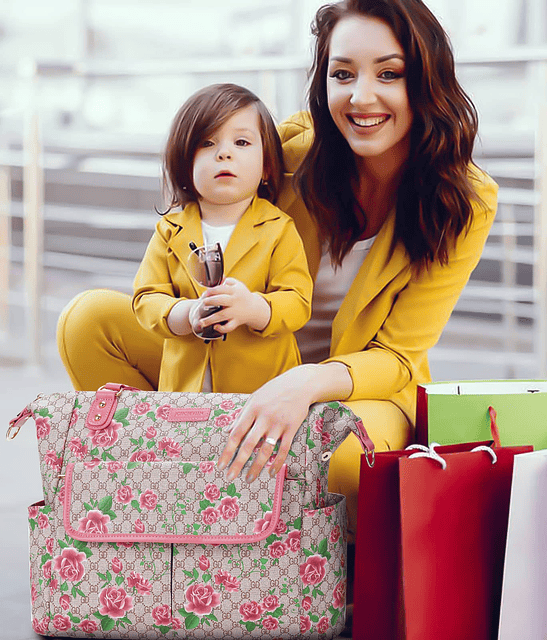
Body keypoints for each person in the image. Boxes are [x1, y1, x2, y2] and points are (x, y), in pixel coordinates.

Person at [57, 0, 497, 545]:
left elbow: (398, 357)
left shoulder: (464, 199)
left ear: (427, 80)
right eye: (342, 74)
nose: (361, 97)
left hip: (355, 390)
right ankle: (168, 508)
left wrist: (304, 384)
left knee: (338, 457)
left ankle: (298, 567)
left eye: (389, 73)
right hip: (247, 363)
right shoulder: (288, 150)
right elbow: (203, 197)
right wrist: (195, 306)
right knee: (89, 320)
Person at [131, 83, 312, 393]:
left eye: (242, 142)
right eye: (207, 143)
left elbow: (297, 301)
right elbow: (146, 299)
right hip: (185, 396)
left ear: (267, 166)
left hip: (262, 392)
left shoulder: (278, 228)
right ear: (185, 164)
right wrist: (187, 314)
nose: (224, 152)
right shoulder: (169, 230)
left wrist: (252, 308)